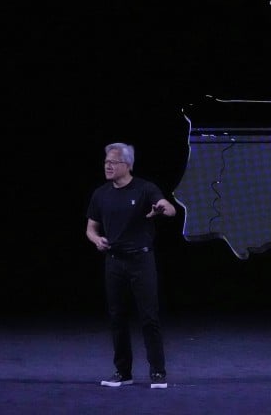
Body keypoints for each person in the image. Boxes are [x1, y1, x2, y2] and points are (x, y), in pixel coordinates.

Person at [86, 142, 176, 389]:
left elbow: (170, 209)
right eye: (106, 162)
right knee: (117, 318)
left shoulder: (145, 189)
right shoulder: (100, 194)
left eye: (113, 162)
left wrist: (162, 208)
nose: (108, 166)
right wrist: (96, 240)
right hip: (114, 262)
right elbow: (90, 228)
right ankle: (123, 372)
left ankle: (157, 372)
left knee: (149, 317)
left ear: (127, 165)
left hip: (141, 261)